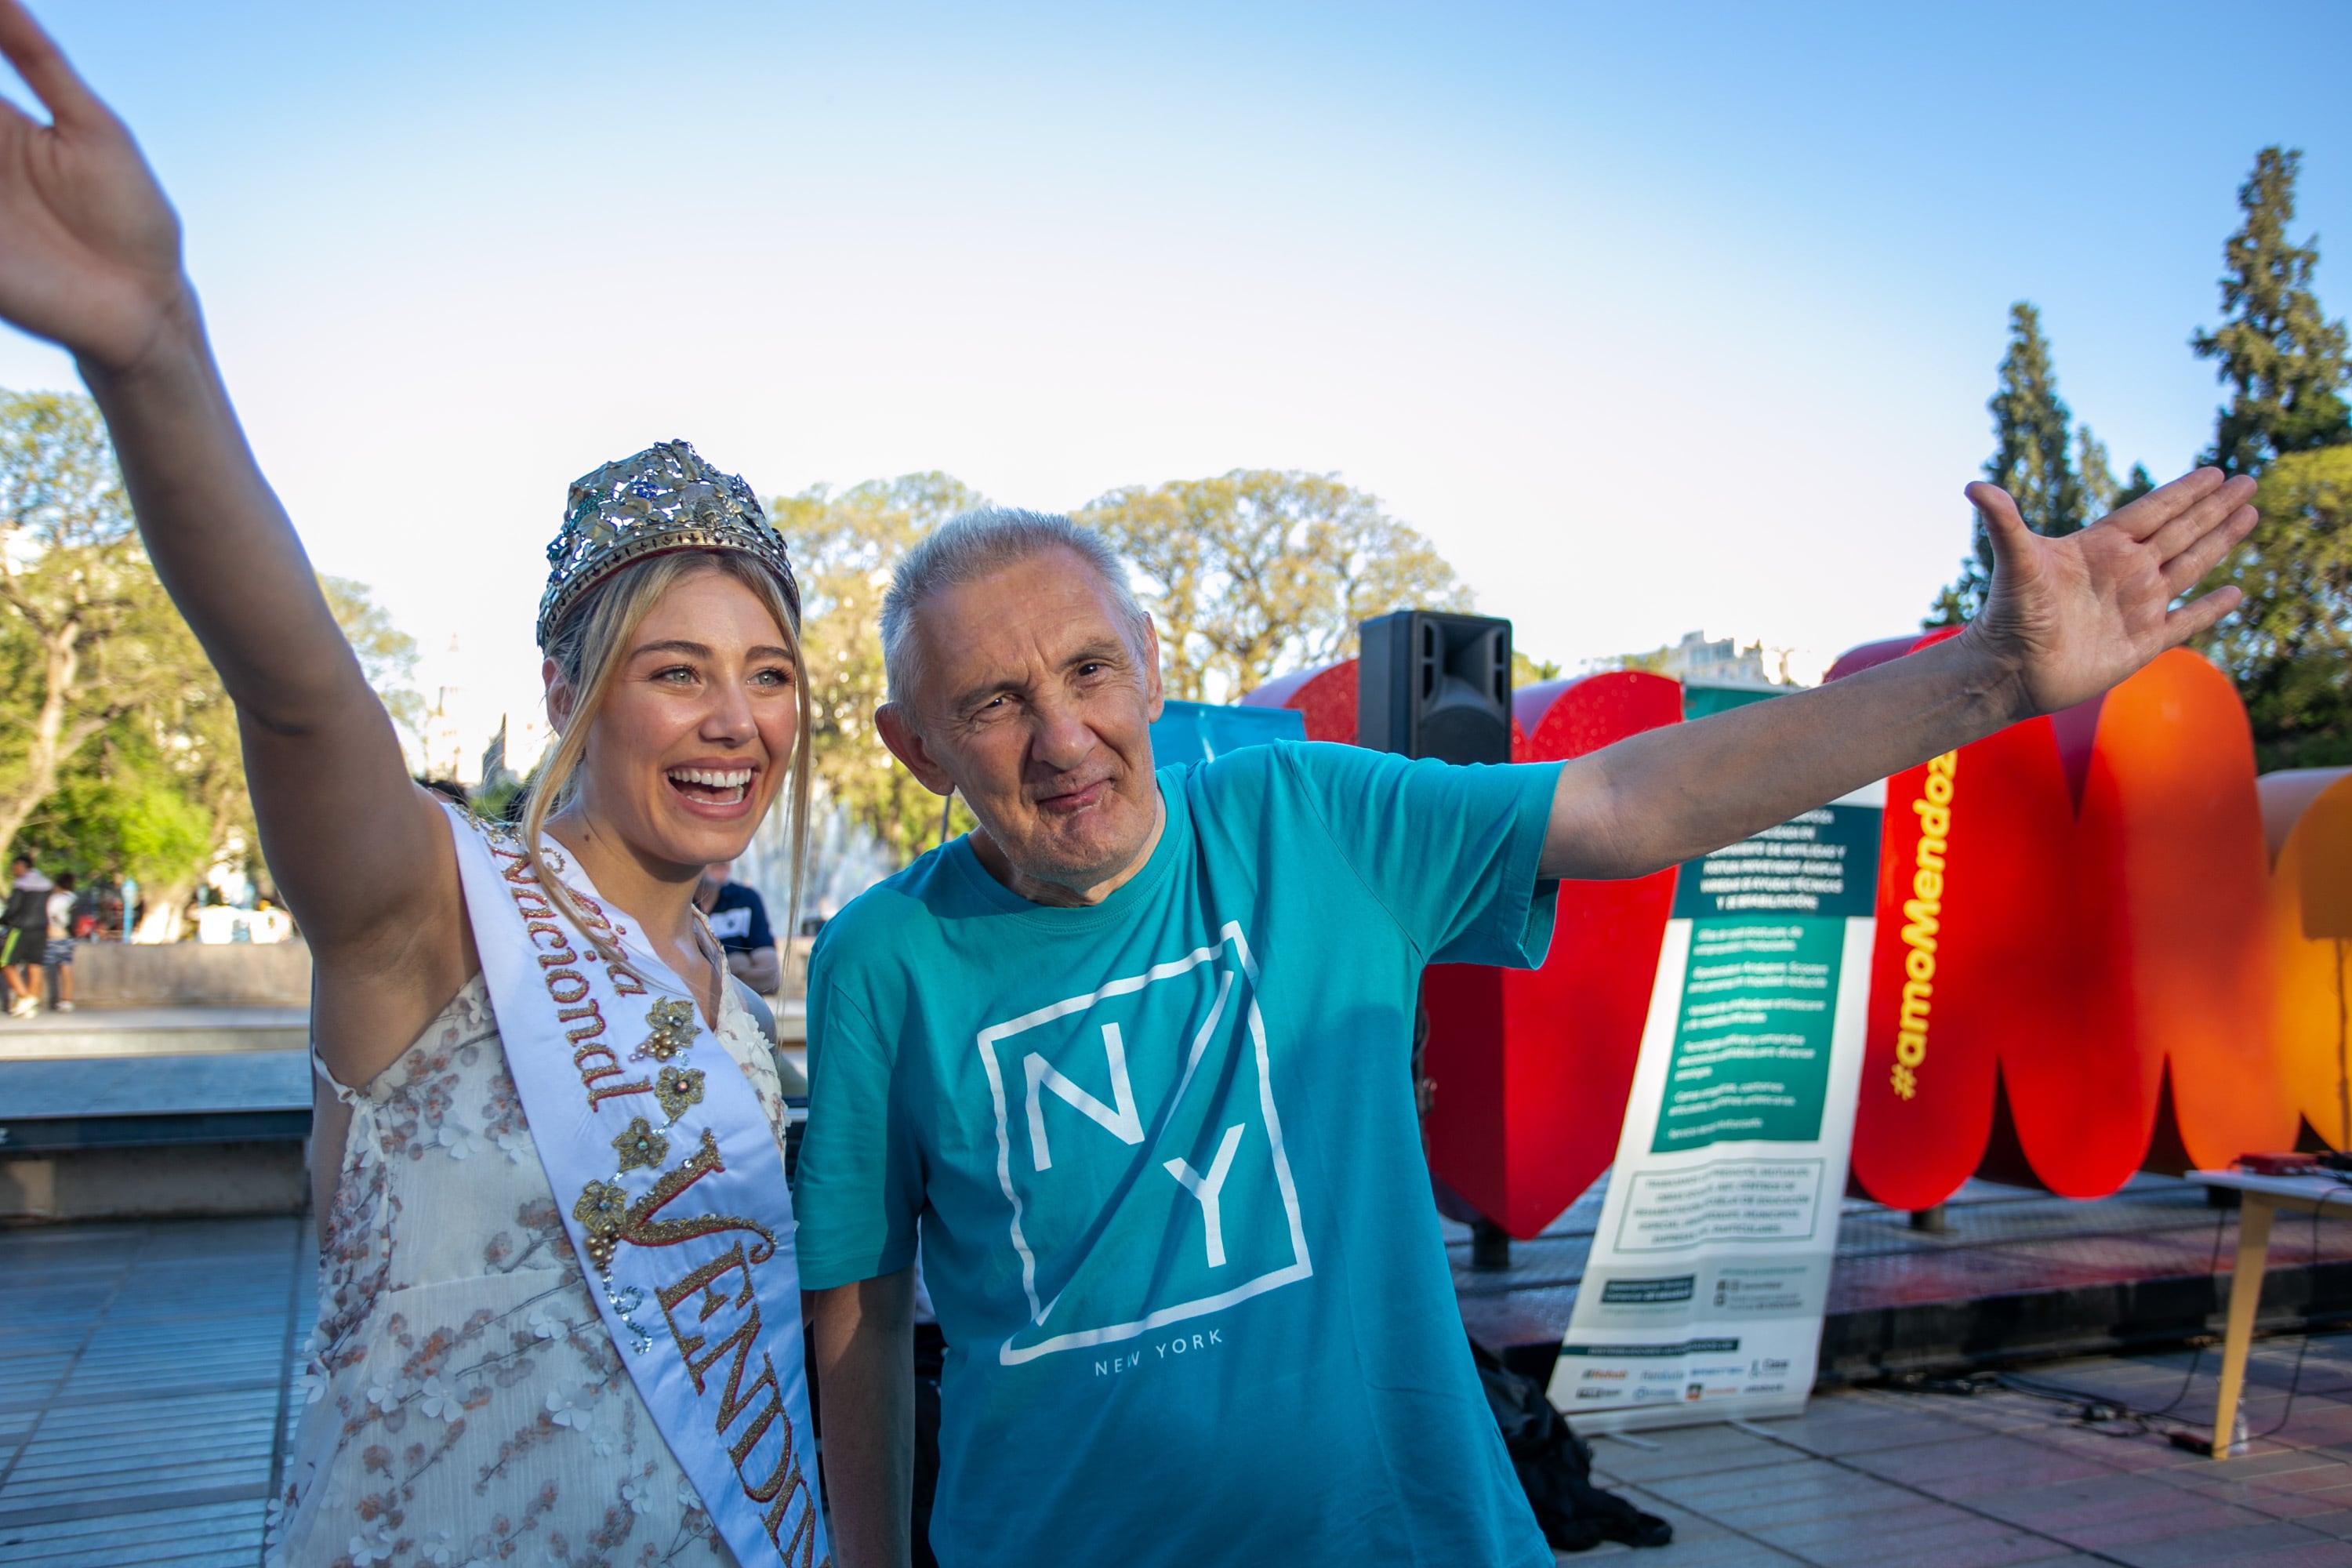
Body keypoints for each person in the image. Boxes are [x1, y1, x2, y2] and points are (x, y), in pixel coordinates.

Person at [796, 473, 2255, 1567]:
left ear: (1152, 664)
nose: (1062, 738)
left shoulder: (1305, 819)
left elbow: (1628, 803)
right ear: (914, 746)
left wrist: (1994, 671)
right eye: (993, 702)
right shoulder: (884, 957)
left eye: (1088, 669)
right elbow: (858, 1303)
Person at [0, 9, 829, 1561]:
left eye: (768, 672)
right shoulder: (435, 909)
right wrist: (155, 348)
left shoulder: (722, 994)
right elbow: (302, 690)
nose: (736, 720)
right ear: (566, 696)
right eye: (677, 669)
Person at [697, 859, 782, 995]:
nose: (723, 859)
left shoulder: (746, 899)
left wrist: (705, 975)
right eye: (712, 848)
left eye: (727, 851)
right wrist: (737, 964)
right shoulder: (673, 905)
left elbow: (770, 980)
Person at [2, 854, 52, 1018]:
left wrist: (3, 920)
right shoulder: (46, 884)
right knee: (35, 964)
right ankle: (30, 1004)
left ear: (22, 866)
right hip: (42, 928)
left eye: (14, 866)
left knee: (6, 963)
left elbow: (13, 908)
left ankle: (25, 997)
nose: (13, 870)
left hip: (21, 928)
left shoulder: (21, 884)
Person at [43, 870, 74, 1011]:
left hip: (53, 938)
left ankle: (32, 998)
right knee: (66, 970)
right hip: (68, 938)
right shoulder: (73, 898)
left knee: (39, 969)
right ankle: (67, 1001)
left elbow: (48, 916)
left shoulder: (55, 899)